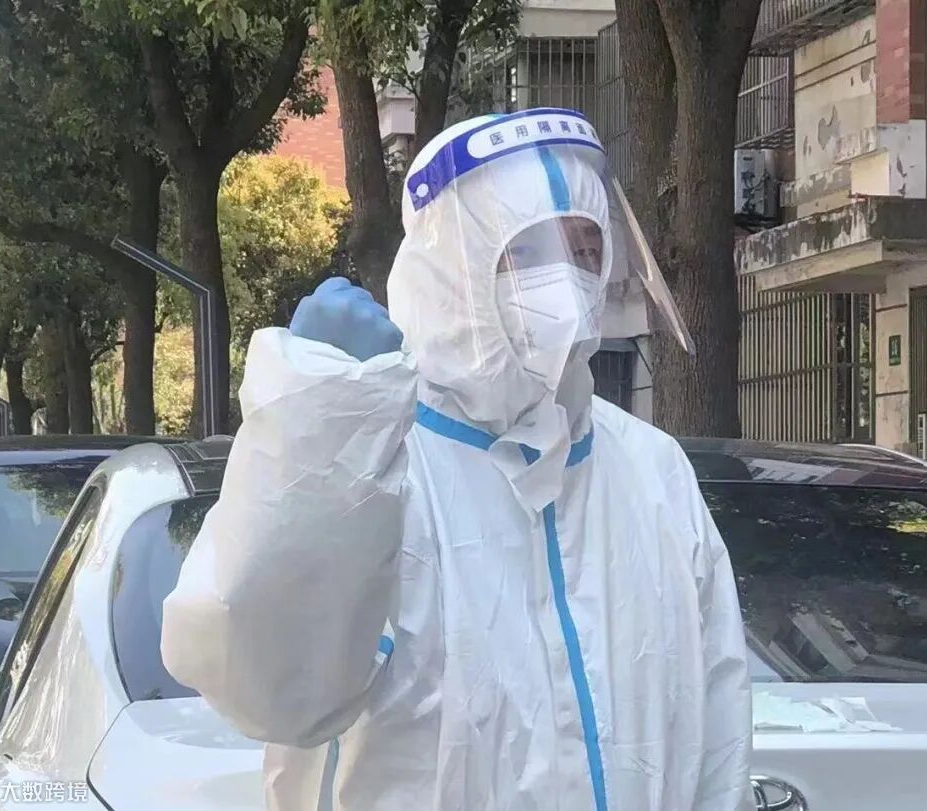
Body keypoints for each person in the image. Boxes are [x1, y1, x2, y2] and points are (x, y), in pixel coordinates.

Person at [161, 108, 754, 811]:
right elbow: (270, 688)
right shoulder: (378, 463)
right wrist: (323, 424)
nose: (565, 282)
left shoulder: (652, 472)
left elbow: (718, 719)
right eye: (526, 252)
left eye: (585, 249)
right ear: (453, 267)